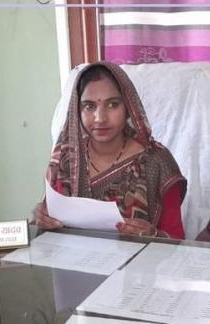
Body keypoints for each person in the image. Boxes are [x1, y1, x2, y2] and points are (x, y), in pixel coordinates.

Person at [33, 62, 187, 239]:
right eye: (89, 106)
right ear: (77, 111)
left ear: (128, 107)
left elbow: (177, 241)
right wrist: (42, 218)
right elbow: (48, 226)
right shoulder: (66, 158)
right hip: (71, 256)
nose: (100, 118)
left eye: (113, 104)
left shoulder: (157, 162)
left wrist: (153, 234)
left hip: (141, 258)